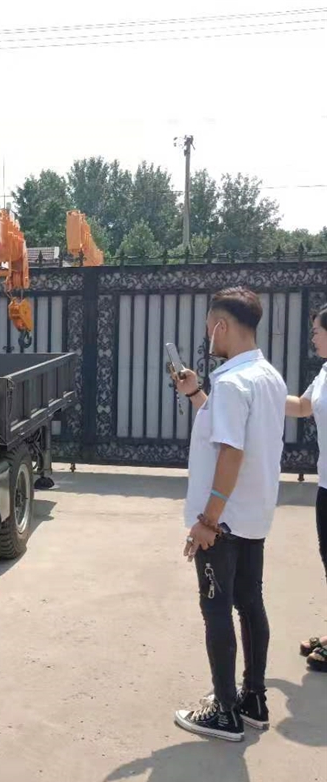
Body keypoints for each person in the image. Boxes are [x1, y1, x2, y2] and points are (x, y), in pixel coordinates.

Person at [172, 287, 287, 742]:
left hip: (223, 522)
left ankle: (224, 711)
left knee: (215, 608)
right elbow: (234, 430)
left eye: (208, 325)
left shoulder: (233, 383)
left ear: (221, 325)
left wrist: (207, 521)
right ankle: (253, 699)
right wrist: (197, 393)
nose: (207, 334)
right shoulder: (268, 377)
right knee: (250, 603)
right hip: (253, 516)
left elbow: (231, 452)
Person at [285, 303, 327, 672]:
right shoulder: (326, 371)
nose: (312, 337)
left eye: (316, 330)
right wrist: (262, 393)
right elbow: (302, 406)